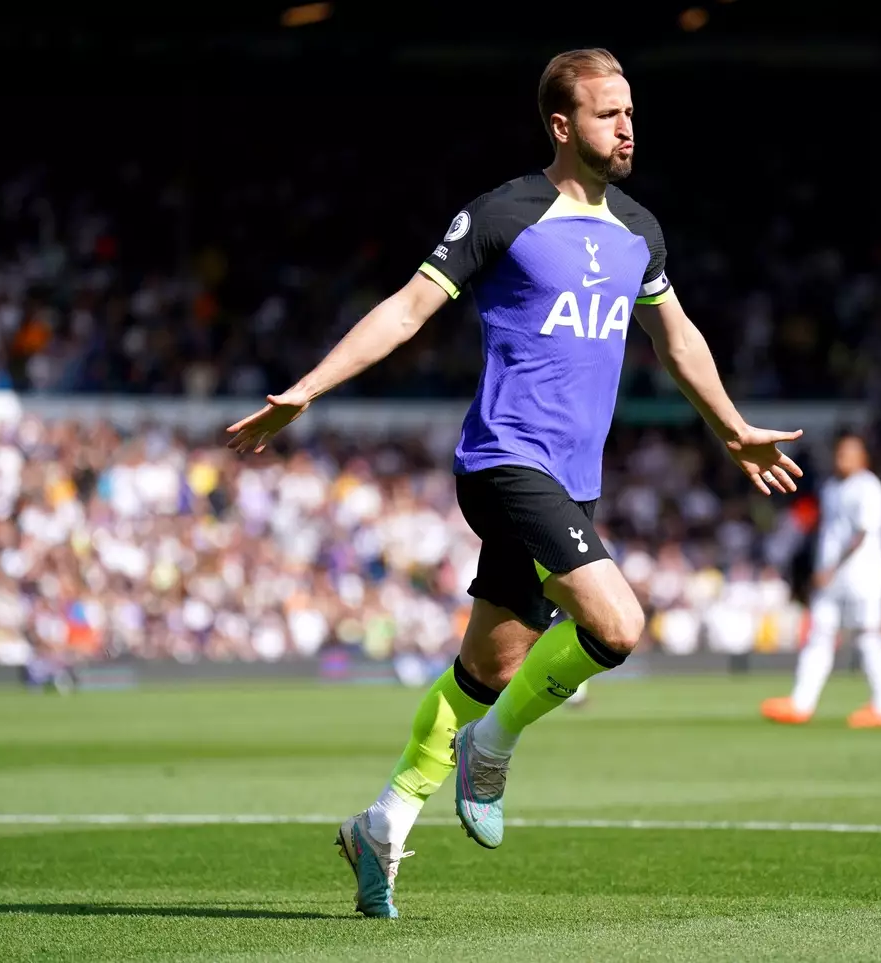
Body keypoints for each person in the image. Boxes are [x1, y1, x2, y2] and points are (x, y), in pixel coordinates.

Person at [226, 47, 805, 918]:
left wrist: (730, 427)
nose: (628, 127)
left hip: (573, 481)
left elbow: (677, 339)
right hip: (504, 460)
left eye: (633, 112)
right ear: (563, 125)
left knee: (489, 667)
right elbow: (408, 307)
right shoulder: (506, 213)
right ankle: (489, 752)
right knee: (618, 623)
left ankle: (380, 823)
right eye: (610, 114)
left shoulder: (639, 231)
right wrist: (307, 388)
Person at [761, 432, 881, 728]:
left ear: (863, 458)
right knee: (820, 635)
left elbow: (863, 534)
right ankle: (801, 703)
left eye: (849, 452)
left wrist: (832, 568)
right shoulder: (832, 487)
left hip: (862, 575)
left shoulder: (868, 487)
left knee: (868, 634)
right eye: (840, 452)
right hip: (830, 577)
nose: (842, 458)